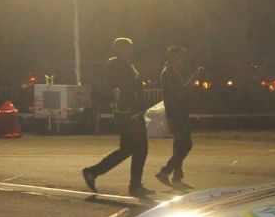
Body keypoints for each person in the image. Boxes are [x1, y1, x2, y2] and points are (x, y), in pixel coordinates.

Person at [83, 37, 153, 197]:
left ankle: (93, 172)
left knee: (128, 148)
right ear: (120, 49)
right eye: (127, 48)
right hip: (129, 113)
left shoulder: (122, 64)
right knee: (140, 148)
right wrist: (134, 109)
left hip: (127, 112)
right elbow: (124, 89)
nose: (130, 50)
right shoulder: (118, 65)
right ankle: (135, 185)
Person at [156, 45, 202, 190]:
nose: (181, 60)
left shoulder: (172, 72)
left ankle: (177, 177)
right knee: (186, 144)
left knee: (179, 145)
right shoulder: (170, 73)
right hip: (177, 112)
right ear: (172, 57)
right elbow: (180, 93)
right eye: (179, 57)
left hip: (176, 111)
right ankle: (166, 171)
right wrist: (195, 77)